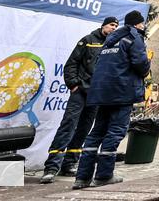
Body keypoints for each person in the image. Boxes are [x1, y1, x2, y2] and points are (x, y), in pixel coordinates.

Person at [73, 10, 149, 189]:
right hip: (121, 92)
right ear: (138, 24)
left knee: (96, 133)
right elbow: (140, 63)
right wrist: (145, 71)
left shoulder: (110, 40)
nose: (143, 26)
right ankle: (104, 175)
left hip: (102, 92)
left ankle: (82, 177)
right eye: (142, 23)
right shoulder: (133, 38)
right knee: (115, 132)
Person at [40, 16, 120, 183]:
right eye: (112, 25)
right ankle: (52, 167)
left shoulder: (112, 46)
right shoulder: (88, 40)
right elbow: (71, 64)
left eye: (116, 26)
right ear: (104, 26)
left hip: (96, 95)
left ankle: (69, 163)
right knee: (68, 125)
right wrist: (73, 84)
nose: (114, 28)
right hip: (80, 91)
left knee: (84, 129)